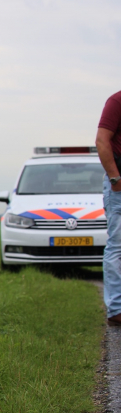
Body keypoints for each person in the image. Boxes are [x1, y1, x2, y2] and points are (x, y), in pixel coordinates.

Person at [97, 90, 121, 325]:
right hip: (120, 184)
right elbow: (102, 140)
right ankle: (116, 309)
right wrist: (115, 178)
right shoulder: (117, 101)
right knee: (118, 246)